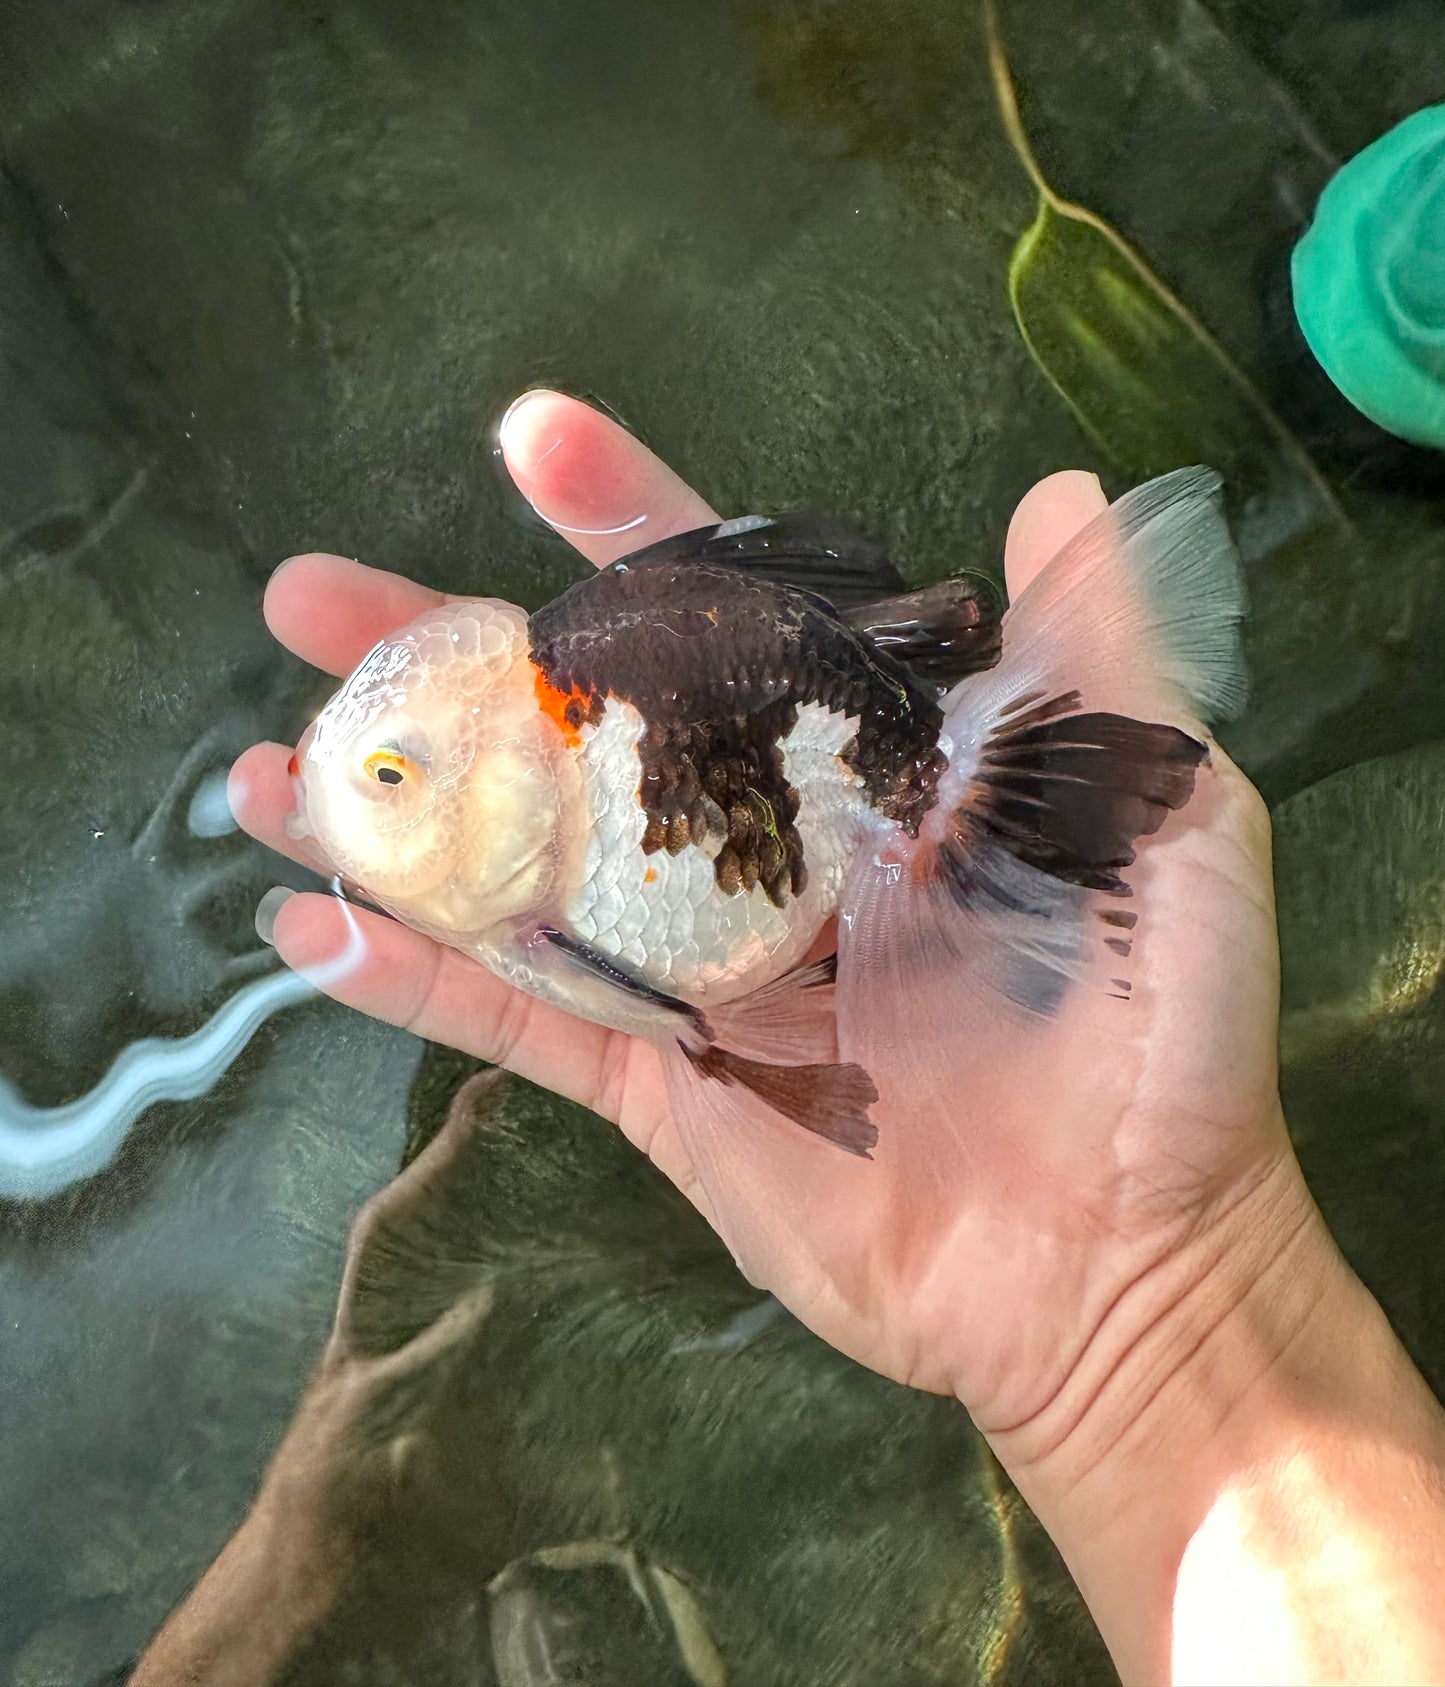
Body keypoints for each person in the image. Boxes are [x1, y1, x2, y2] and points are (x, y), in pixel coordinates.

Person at [145, 390, 1445, 1686]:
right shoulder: (532, 884)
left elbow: (689, 1001)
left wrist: (1146, 1300)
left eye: (390, 781)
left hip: (853, 790)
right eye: (388, 778)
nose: (358, 805)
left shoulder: (556, 885)